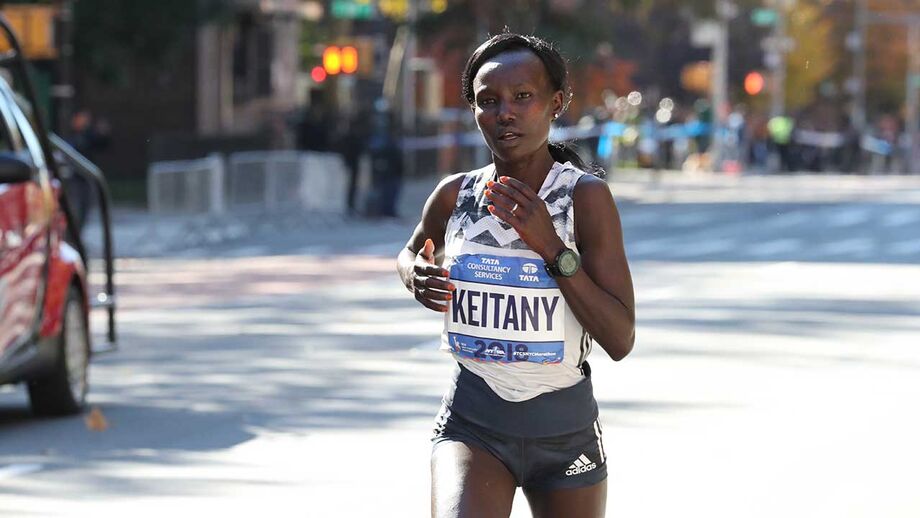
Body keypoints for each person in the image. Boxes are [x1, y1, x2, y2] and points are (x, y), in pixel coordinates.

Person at [396, 32, 635, 518]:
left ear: (556, 103)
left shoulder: (584, 199)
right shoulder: (455, 195)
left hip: (564, 431)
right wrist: (415, 274)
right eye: (488, 101)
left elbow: (620, 337)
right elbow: (410, 251)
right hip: (474, 422)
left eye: (522, 96)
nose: (505, 112)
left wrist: (550, 246)